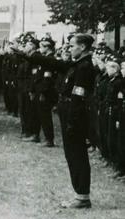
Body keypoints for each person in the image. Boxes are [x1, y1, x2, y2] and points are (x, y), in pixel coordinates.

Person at [14, 33, 95, 208]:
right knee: (71, 154)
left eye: (72, 45)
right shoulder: (77, 64)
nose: (69, 49)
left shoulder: (84, 67)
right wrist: (26, 54)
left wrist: (72, 121)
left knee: (77, 155)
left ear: (82, 47)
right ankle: (80, 194)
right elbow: (53, 63)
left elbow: (79, 98)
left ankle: (82, 196)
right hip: (69, 113)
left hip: (75, 116)